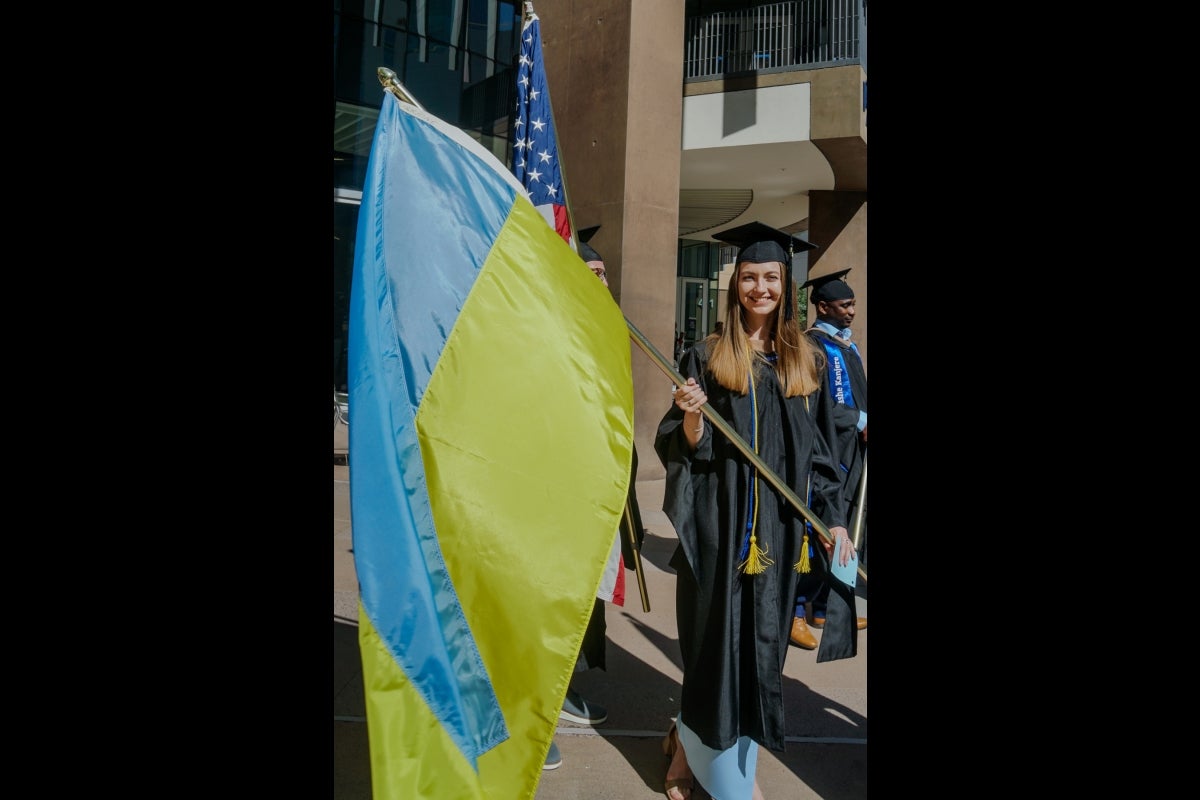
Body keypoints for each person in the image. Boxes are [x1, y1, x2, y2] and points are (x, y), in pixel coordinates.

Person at [654, 221, 859, 799]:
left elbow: (822, 455)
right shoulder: (707, 353)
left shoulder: (805, 360)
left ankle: (719, 751)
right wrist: (692, 415)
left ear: (786, 285)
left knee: (760, 648)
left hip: (779, 534)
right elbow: (684, 447)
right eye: (750, 277)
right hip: (720, 529)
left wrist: (833, 517)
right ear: (734, 286)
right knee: (711, 643)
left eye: (771, 278)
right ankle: (690, 752)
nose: (760, 288)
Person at [545, 228, 649, 770]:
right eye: (593, 273)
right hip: (553, 492)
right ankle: (529, 713)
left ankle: (558, 691)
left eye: (605, 273)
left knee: (580, 601)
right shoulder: (548, 330)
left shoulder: (602, 327)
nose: (604, 279)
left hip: (595, 492)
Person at [788, 269, 868, 645]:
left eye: (852, 304)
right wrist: (861, 419)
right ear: (822, 307)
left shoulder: (846, 345)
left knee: (845, 526)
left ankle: (824, 608)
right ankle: (797, 607)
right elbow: (819, 407)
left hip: (850, 448)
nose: (851, 311)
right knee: (817, 528)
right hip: (825, 450)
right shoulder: (813, 346)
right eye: (844, 304)